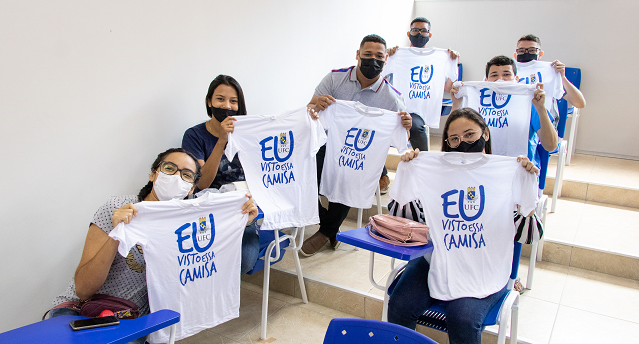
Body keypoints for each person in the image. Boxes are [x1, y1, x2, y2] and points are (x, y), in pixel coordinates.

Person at [47, 148, 257, 344]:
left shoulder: (188, 226)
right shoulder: (118, 209)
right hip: (80, 311)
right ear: (153, 174)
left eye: (186, 174)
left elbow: (211, 251)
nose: (176, 177)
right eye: (169, 168)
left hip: (132, 319)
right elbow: (84, 289)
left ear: (191, 188)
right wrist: (116, 234)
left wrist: (238, 222)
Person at [387, 108, 538, 344]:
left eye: (469, 135)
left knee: (463, 318)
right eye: (454, 139)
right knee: (399, 305)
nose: (462, 143)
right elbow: (402, 216)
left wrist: (525, 194)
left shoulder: (508, 173)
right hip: (435, 258)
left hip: (483, 267)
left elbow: (531, 235)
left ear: (485, 134)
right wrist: (408, 171)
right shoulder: (435, 173)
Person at [300, 34, 413, 256]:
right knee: (303, 172)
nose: (373, 60)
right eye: (367, 54)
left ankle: (325, 232)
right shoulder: (334, 79)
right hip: (328, 141)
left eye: (379, 56)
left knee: (351, 170)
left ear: (386, 59)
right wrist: (317, 106)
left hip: (365, 151)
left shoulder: (392, 97)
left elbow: (400, 137)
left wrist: (405, 126)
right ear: (357, 55)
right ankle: (329, 225)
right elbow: (309, 108)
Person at [181, 75, 260, 274]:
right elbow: (202, 183)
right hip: (208, 209)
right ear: (209, 102)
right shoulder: (194, 136)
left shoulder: (249, 132)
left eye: (233, 101)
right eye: (220, 99)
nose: (227, 105)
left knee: (243, 262)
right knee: (202, 259)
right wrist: (221, 140)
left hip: (243, 209)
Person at [451, 55, 558, 168]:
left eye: (506, 74)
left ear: (516, 79)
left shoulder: (530, 101)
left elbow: (551, 146)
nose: (500, 79)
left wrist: (541, 108)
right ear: (486, 80)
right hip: (481, 168)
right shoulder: (475, 98)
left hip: (519, 169)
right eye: (494, 75)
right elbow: (452, 139)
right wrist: (457, 103)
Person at [386, 17, 460, 152]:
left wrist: (454, 61)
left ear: (429, 35)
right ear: (408, 34)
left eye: (424, 30)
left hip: (422, 112)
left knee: (416, 126)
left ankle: (424, 161)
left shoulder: (441, 57)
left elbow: (448, 88)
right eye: (415, 30)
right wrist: (386, 57)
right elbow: (381, 78)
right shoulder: (397, 54)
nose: (419, 33)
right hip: (400, 108)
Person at [514, 34, 586, 109]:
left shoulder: (549, 72)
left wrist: (562, 77)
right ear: (515, 55)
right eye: (521, 51)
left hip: (541, 118)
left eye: (532, 50)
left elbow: (580, 104)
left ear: (540, 54)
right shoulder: (509, 73)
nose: (526, 53)